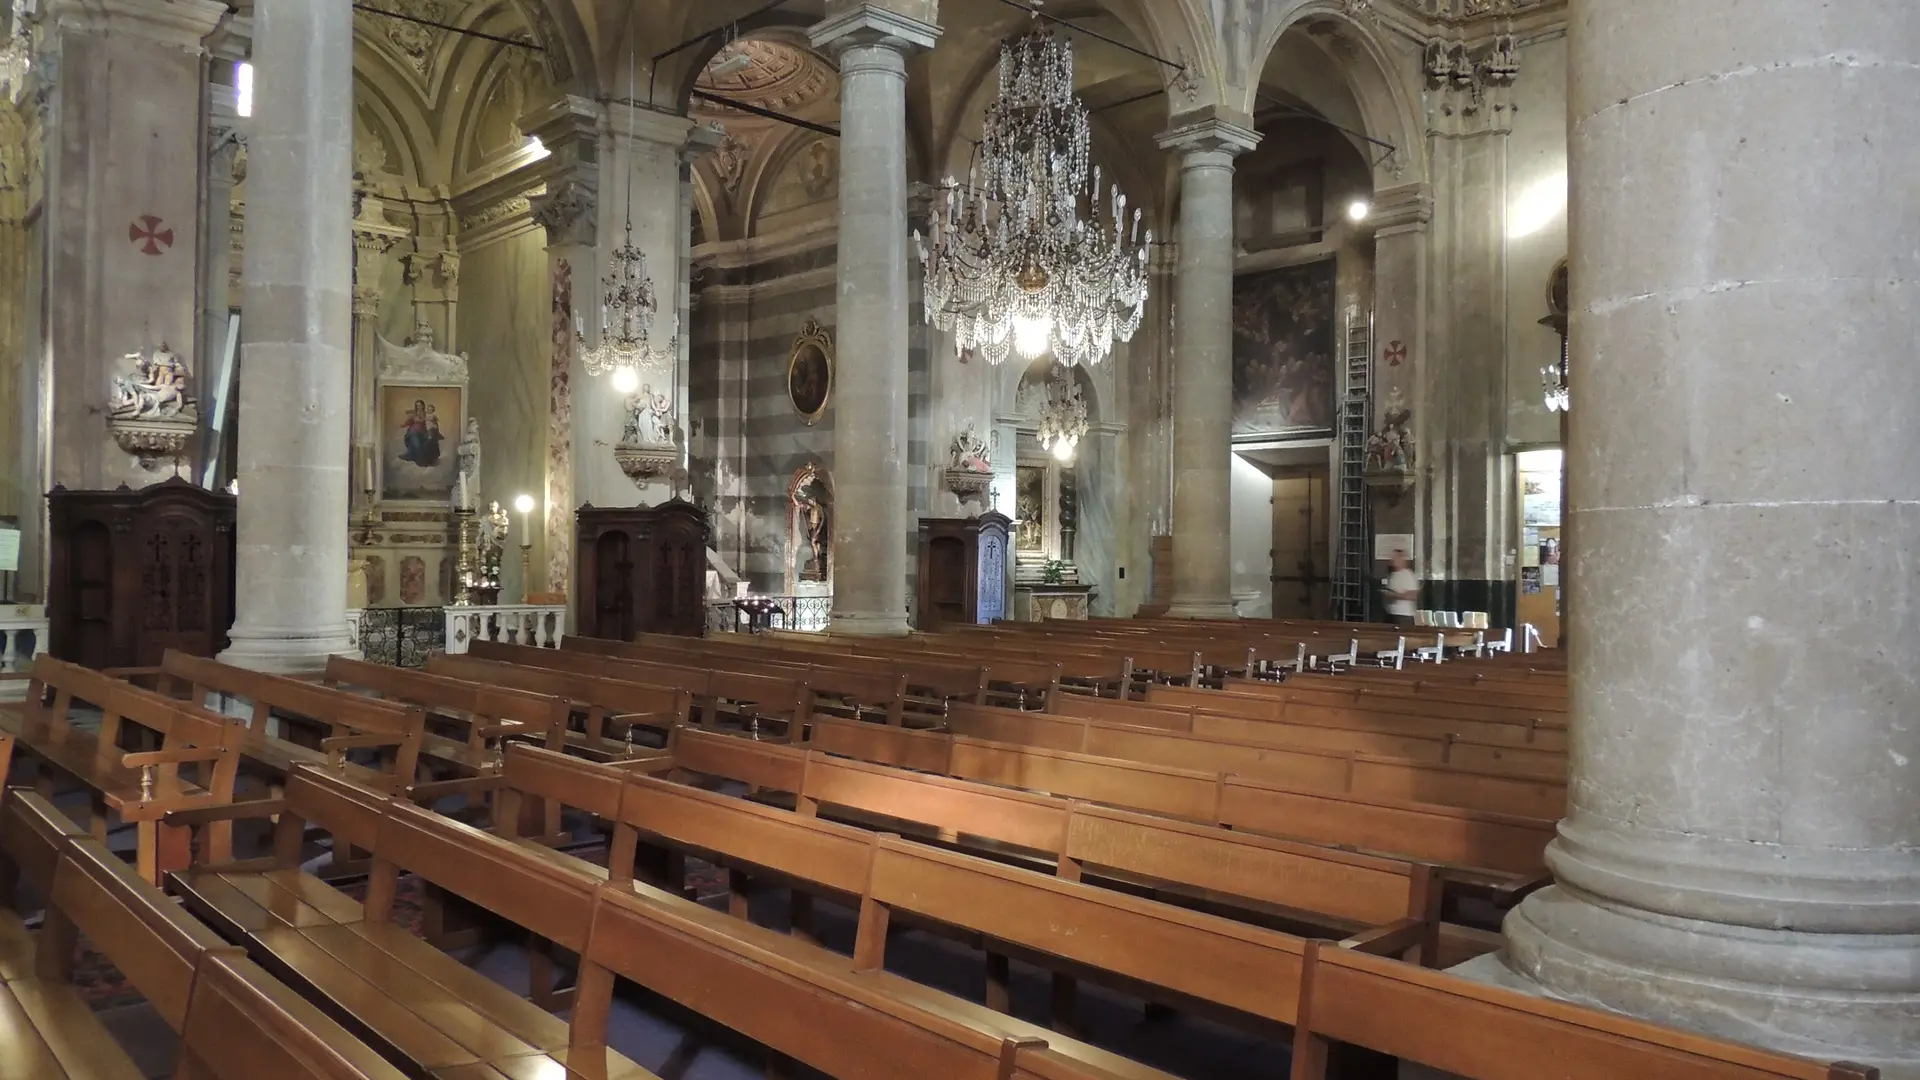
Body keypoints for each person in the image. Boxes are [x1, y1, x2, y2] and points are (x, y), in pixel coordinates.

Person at [1384, 548, 1419, 626]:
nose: (1393, 560)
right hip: (1391, 614)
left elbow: (1413, 595)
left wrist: (1393, 595)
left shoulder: (1408, 575)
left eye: (1396, 557)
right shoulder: (1392, 575)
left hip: (1403, 616)